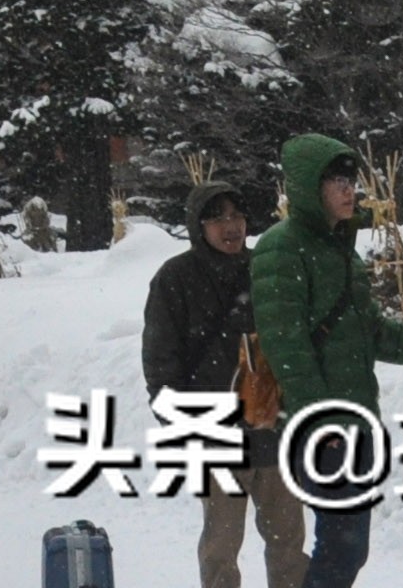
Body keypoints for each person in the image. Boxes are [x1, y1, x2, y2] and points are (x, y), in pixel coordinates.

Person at [251, 132, 403, 588]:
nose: (349, 191)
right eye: (336, 181)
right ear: (309, 187)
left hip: (355, 420)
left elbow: (378, 336)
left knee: (347, 548)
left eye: (351, 181)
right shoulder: (281, 247)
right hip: (323, 428)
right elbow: (287, 347)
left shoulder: (340, 249)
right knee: (341, 547)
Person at [145, 182, 304, 588]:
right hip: (215, 433)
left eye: (237, 215)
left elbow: (295, 340)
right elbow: (161, 362)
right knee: (221, 546)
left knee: (288, 541)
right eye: (218, 218)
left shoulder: (265, 268)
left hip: (271, 424)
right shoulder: (175, 278)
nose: (231, 226)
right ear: (198, 226)